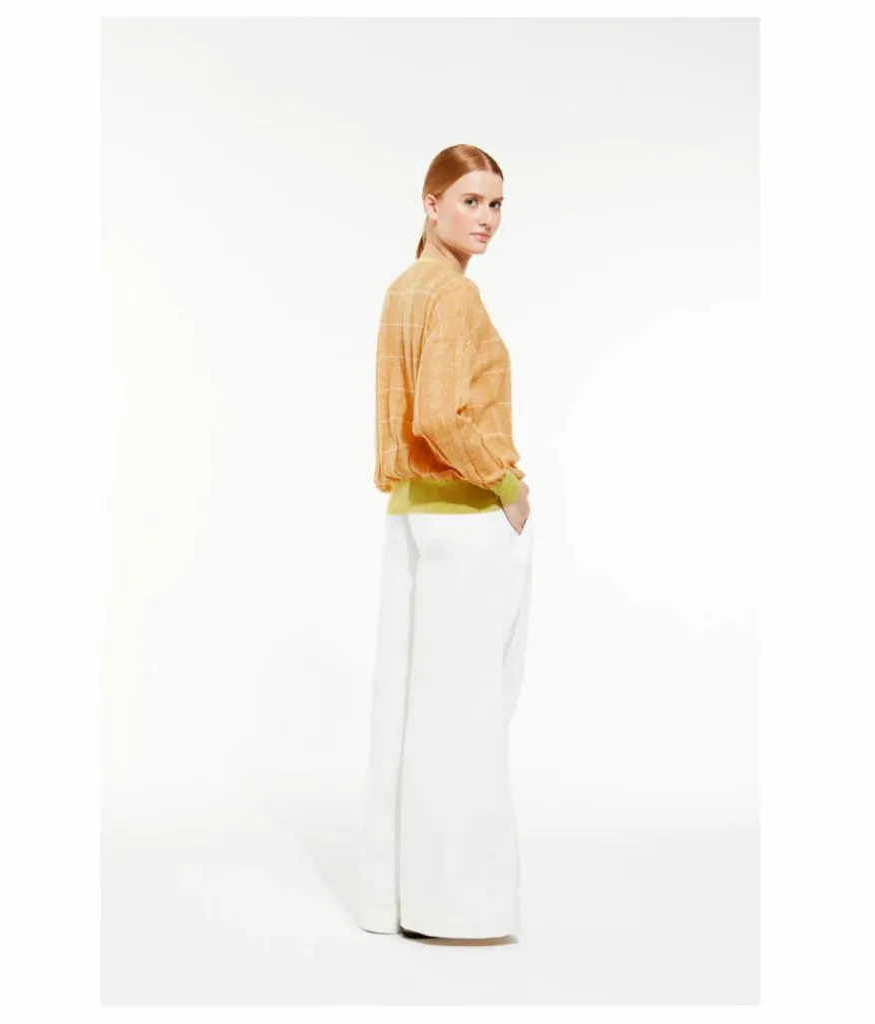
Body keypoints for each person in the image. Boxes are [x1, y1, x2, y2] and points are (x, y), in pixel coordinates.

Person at [356, 144, 534, 945]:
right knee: (466, 715)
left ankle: (392, 900)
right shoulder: (454, 295)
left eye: (496, 204)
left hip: (409, 517)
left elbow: (409, 419)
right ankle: (461, 908)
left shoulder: (404, 289)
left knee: (405, 712)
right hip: (464, 519)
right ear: (430, 204)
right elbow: (436, 416)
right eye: (470, 201)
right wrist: (505, 483)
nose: (486, 219)